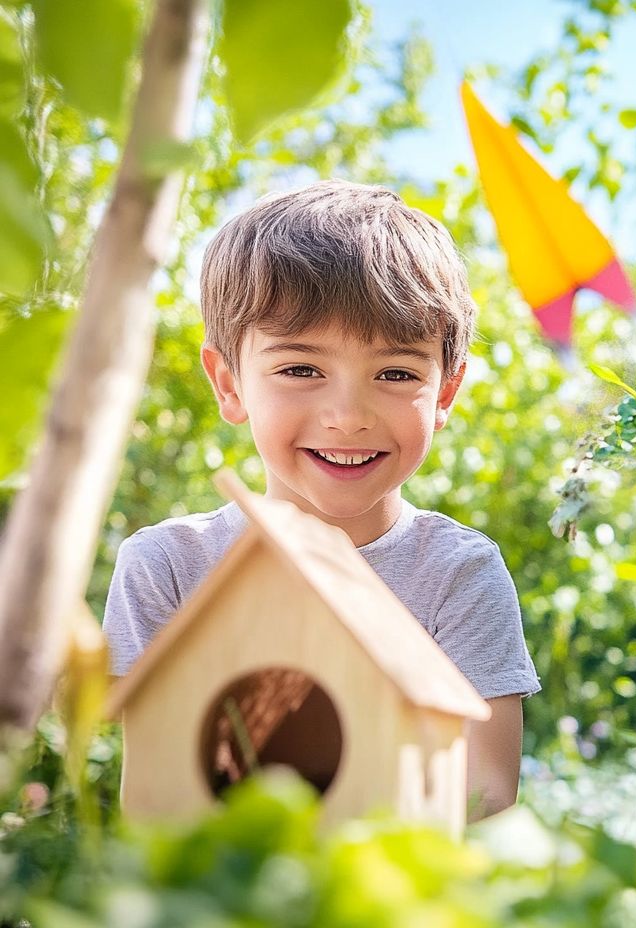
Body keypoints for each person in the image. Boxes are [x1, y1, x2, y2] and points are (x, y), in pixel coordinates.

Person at [103, 180, 540, 821]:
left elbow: (488, 786)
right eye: (301, 369)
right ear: (229, 384)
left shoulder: (457, 573)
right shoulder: (166, 566)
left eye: (395, 373)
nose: (347, 417)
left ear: (444, 392)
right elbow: (151, 792)